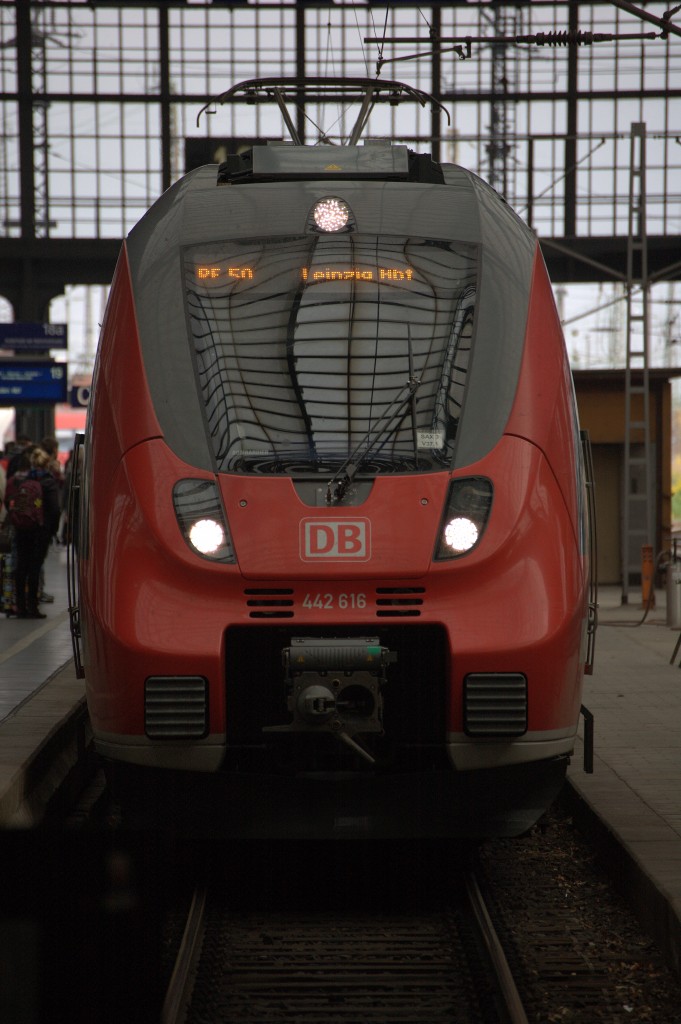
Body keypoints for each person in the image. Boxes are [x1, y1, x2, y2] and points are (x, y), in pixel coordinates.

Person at [4, 453, 47, 618]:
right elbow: (39, 506)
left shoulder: (12, 482)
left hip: (18, 529)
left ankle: (19, 605)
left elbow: (8, 502)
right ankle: (33, 606)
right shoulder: (35, 485)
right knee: (34, 568)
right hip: (34, 529)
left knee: (20, 567)